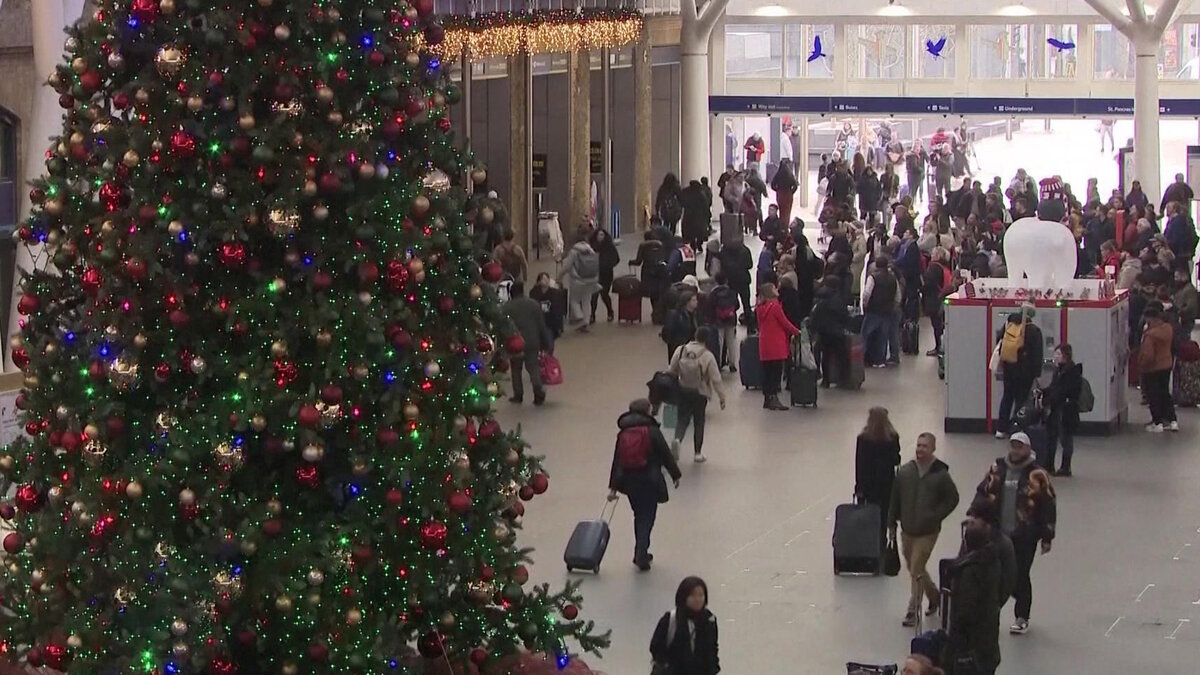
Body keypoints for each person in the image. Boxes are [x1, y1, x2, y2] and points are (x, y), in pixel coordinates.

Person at [973, 432, 1056, 636]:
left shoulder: (1037, 474)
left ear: (1028, 449)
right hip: (999, 532)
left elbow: (1047, 505)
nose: (1015, 450)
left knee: (1020, 574)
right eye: (1013, 446)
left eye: (1020, 447)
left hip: (1025, 535)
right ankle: (992, 612)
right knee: (997, 573)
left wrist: (1047, 536)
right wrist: (975, 514)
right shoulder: (998, 468)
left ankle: (1022, 615)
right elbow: (983, 491)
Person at [888, 432, 961, 627]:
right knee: (914, 568)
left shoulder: (941, 475)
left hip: (928, 531)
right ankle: (935, 596)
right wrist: (891, 523)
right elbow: (895, 499)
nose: (920, 449)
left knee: (917, 566)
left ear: (933, 449)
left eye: (925, 446)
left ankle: (913, 609)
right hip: (907, 529)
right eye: (918, 445)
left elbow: (953, 499)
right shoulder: (905, 473)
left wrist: (936, 515)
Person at [607, 398, 682, 571]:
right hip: (650, 479)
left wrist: (613, 488)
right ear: (647, 411)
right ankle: (641, 552)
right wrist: (675, 475)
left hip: (630, 482)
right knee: (647, 517)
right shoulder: (652, 431)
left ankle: (640, 550)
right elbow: (665, 454)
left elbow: (617, 461)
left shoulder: (623, 434)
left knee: (639, 515)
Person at [941, 518, 1002, 675]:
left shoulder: (969, 572)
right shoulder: (992, 562)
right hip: (989, 641)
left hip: (970, 647)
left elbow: (964, 613)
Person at [667, 326, 726, 463]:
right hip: (700, 392)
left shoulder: (681, 350)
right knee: (699, 421)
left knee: (682, 418)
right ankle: (697, 453)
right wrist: (722, 398)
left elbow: (672, 369)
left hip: (683, 389)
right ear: (707, 340)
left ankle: (677, 439)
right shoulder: (707, 355)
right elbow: (716, 379)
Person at [650, 576, 720, 675]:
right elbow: (656, 647)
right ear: (683, 597)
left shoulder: (709, 620)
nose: (698, 599)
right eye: (693, 595)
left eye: (701, 595)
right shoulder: (671, 619)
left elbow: (712, 648)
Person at [855, 407, 901, 548]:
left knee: (869, 516)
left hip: (868, 485)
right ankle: (882, 543)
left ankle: (869, 546)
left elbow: (860, 465)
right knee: (884, 516)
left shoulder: (863, 438)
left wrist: (859, 488)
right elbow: (896, 460)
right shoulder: (892, 438)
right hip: (887, 484)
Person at [994, 309, 1044, 438]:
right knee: (1021, 400)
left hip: (1009, 368)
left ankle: (1000, 429)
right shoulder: (1034, 330)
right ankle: (1016, 428)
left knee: (1007, 397)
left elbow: (999, 342)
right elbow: (1037, 354)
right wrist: (1037, 373)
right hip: (1025, 372)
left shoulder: (1009, 325)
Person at [502, 281, 552, 406]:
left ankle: (518, 395)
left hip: (515, 342)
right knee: (533, 367)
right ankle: (538, 391)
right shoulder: (533, 305)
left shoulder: (506, 307)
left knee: (516, 369)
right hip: (532, 341)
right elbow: (541, 325)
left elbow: (502, 327)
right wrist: (546, 343)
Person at [755, 282, 800, 410]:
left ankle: (767, 398)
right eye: (774, 288)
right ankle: (774, 397)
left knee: (767, 372)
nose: (777, 289)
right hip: (776, 344)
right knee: (776, 373)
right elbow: (785, 323)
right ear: (770, 292)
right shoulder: (775, 307)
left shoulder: (760, 308)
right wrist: (797, 331)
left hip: (764, 344)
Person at [1042, 344, 1082, 476]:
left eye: (1058, 354)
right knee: (1052, 436)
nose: (1055, 357)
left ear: (1065, 356)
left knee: (1065, 438)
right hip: (1057, 408)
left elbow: (1063, 391)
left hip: (1066, 409)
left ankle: (1065, 467)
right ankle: (1049, 464)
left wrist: (1049, 398)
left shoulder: (1071, 372)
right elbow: (1054, 388)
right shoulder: (1059, 370)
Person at [1139, 305, 1178, 432]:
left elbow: (1148, 355)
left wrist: (1141, 364)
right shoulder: (1168, 329)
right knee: (1165, 393)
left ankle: (1158, 423)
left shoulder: (1150, 335)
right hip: (1166, 365)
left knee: (1153, 395)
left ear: (1149, 318)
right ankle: (1172, 421)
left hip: (1152, 368)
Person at [861, 256, 900, 367]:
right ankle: (880, 360)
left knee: (866, 334)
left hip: (874, 310)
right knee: (883, 336)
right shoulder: (893, 278)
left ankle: (862, 358)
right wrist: (893, 306)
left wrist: (865, 305)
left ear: (876, 265)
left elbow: (867, 294)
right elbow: (898, 296)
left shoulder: (872, 277)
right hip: (887, 311)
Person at [558, 237, 602, 332]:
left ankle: (580, 316)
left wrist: (559, 276)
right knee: (586, 300)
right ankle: (586, 322)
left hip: (578, 280)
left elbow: (567, 266)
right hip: (591, 279)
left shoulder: (574, 251)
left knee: (574, 300)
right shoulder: (591, 250)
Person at [922, 246, 954, 357]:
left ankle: (938, 347)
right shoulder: (945, 267)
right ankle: (942, 345)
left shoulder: (933, 267)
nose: (931, 255)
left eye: (934, 254)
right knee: (942, 324)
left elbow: (928, 284)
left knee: (936, 325)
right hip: (943, 297)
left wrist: (922, 288)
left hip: (934, 299)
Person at [717, 239, 754, 327]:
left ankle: (732, 325)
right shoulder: (745, 250)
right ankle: (750, 326)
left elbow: (722, 266)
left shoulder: (723, 251)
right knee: (746, 303)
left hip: (730, 281)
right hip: (743, 280)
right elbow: (750, 265)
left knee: (731, 304)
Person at [588, 227, 619, 324]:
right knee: (594, 295)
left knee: (604, 294)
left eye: (602, 235)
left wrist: (608, 265)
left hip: (606, 274)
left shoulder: (609, 246)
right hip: (595, 273)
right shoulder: (591, 247)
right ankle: (592, 315)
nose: (600, 237)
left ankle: (610, 311)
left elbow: (616, 259)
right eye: (598, 235)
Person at [662, 291, 699, 363]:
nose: (696, 302)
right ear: (687, 302)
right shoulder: (676, 315)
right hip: (679, 348)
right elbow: (668, 331)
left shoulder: (696, 314)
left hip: (692, 348)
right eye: (694, 300)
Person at [529, 272, 563, 339]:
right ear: (539, 281)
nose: (546, 281)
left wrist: (559, 326)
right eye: (543, 279)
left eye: (547, 279)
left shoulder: (555, 293)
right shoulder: (534, 292)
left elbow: (558, 310)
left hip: (550, 322)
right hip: (539, 320)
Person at [771, 158, 798, 226]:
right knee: (787, 212)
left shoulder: (778, 174)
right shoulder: (790, 175)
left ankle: (781, 226)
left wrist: (777, 190)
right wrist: (791, 192)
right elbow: (795, 185)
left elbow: (772, 185)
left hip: (780, 194)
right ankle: (785, 226)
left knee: (781, 211)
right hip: (788, 194)